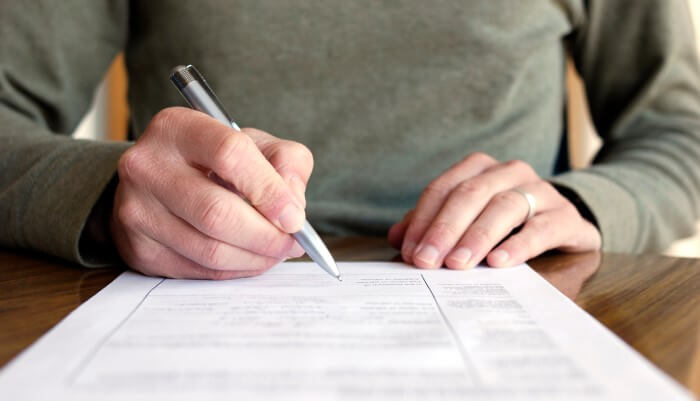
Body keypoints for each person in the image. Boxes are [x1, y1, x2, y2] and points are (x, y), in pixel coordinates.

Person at [1, 1, 699, 280]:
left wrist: (585, 203)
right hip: (185, 292)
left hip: (497, 296)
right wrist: (104, 192)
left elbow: (681, 129)